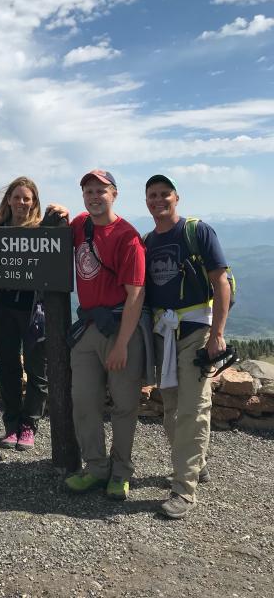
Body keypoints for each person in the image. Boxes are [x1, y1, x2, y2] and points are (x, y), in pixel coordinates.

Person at [144, 174, 230, 519]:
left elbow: (220, 282)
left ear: (176, 198)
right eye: (153, 195)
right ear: (146, 201)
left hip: (196, 331)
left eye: (165, 194)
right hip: (164, 334)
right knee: (171, 409)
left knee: (193, 409)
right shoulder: (148, 240)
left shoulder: (198, 231)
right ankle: (197, 465)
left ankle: (183, 490)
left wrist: (217, 334)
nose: (159, 200)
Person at [63, 170, 148, 500]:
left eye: (101, 190)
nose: (94, 196)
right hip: (87, 329)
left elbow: (135, 295)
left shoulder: (128, 237)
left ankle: (121, 472)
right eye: (88, 190)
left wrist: (123, 344)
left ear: (114, 194)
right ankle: (96, 468)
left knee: (125, 406)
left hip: (119, 329)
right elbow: (48, 233)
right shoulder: (80, 224)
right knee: (84, 401)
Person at [0, 176, 48, 451]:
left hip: (33, 311)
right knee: (6, 367)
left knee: (36, 369)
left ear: (34, 201)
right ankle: (12, 423)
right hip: (2, 307)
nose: (22, 202)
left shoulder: (42, 230)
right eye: (17, 197)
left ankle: (29, 425)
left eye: (27, 198)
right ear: (9, 200)